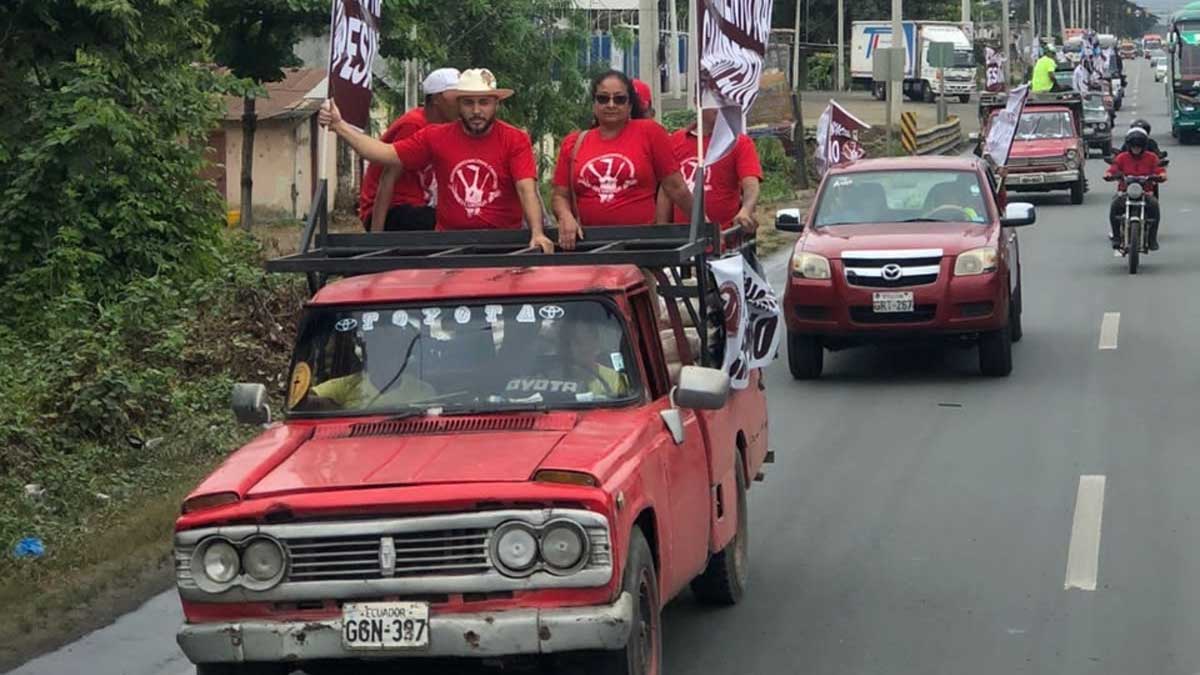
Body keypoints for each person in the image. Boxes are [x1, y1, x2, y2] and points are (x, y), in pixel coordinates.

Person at [318, 68, 554, 253]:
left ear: (496, 104)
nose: (476, 111)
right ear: (458, 104)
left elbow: (526, 189)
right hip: (450, 243)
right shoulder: (435, 136)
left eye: (484, 102)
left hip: (503, 243)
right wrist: (339, 126)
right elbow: (384, 154)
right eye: (468, 103)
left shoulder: (515, 139)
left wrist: (537, 232)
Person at [551, 70, 694, 249]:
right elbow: (559, 196)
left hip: (639, 247)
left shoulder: (650, 132)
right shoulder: (573, 142)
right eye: (603, 98)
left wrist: (702, 222)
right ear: (594, 104)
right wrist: (565, 217)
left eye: (619, 99)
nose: (611, 105)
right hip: (588, 246)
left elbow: (675, 187)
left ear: (630, 104)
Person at [359, 68, 459, 232]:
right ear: (436, 99)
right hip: (394, 209)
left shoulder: (446, 129)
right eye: (457, 97)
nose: (462, 103)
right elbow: (388, 176)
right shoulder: (414, 125)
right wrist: (376, 235)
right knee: (448, 222)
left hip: (420, 205)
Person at [658, 107, 762, 233]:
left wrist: (746, 210)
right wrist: (662, 228)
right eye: (712, 100)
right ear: (698, 101)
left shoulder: (739, 142)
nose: (718, 106)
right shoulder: (675, 141)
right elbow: (667, 189)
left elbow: (751, 182)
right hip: (684, 239)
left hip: (724, 237)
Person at [301, 322, 435, 411]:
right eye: (376, 350)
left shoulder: (422, 391)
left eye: (391, 351)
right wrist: (331, 407)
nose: (383, 357)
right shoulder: (348, 385)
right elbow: (303, 400)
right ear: (367, 354)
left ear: (402, 356)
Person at [1105, 128, 1166, 251]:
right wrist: (1109, 174)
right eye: (1133, 146)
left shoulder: (1152, 157)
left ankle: (1152, 239)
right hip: (1125, 192)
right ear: (1129, 146)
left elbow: (1159, 170)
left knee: (1154, 205)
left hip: (1146, 193)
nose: (1136, 148)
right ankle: (1116, 237)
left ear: (1143, 146)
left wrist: (1161, 175)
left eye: (1139, 146)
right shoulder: (1122, 157)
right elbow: (1113, 168)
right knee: (1114, 206)